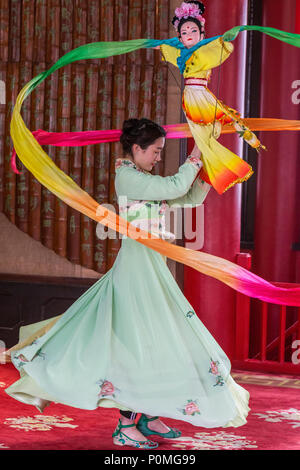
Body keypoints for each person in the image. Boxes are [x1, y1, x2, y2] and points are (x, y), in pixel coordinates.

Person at [4, 118, 249, 450]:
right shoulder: (128, 177)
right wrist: (198, 151)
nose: (159, 157)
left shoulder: (143, 179)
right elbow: (175, 187)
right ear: (137, 148)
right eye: (156, 151)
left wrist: (210, 170)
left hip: (150, 265)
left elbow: (187, 198)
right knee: (139, 345)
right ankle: (126, 423)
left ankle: (147, 413)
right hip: (138, 266)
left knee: (157, 340)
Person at [155, 1, 265, 194]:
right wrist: (156, 46)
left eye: (193, 31)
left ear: (202, 34)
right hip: (193, 97)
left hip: (202, 95)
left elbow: (221, 48)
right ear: (180, 38)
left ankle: (248, 144)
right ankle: (221, 170)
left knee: (226, 122)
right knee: (206, 136)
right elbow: (167, 50)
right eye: (184, 32)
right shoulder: (181, 54)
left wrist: (224, 41)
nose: (189, 34)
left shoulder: (204, 52)